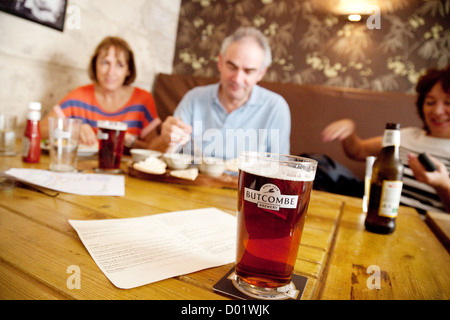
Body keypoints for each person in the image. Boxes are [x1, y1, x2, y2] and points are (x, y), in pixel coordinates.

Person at [322, 66, 450, 213]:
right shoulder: (406, 135)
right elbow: (359, 151)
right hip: (372, 207)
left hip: (420, 225)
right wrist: (349, 132)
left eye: (448, 102)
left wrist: (443, 185)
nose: (437, 111)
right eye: (430, 102)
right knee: (318, 164)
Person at [160, 26, 291, 160]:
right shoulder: (194, 98)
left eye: (249, 71)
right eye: (232, 67)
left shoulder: (276, 107)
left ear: (261, 74)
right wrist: (168, 138)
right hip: (193, 177)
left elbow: (279, 165)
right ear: (220, 63)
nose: (237, 79)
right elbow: (170, 153)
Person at [42, 36, 166, 151]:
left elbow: (154, 148)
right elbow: (40, 129)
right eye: (105, 63)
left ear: (128, 70)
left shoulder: (143, 100)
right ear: (95, 65)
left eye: (119, 65)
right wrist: (72, 128)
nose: (110, 72)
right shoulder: (78, 96)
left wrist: (128, 140)